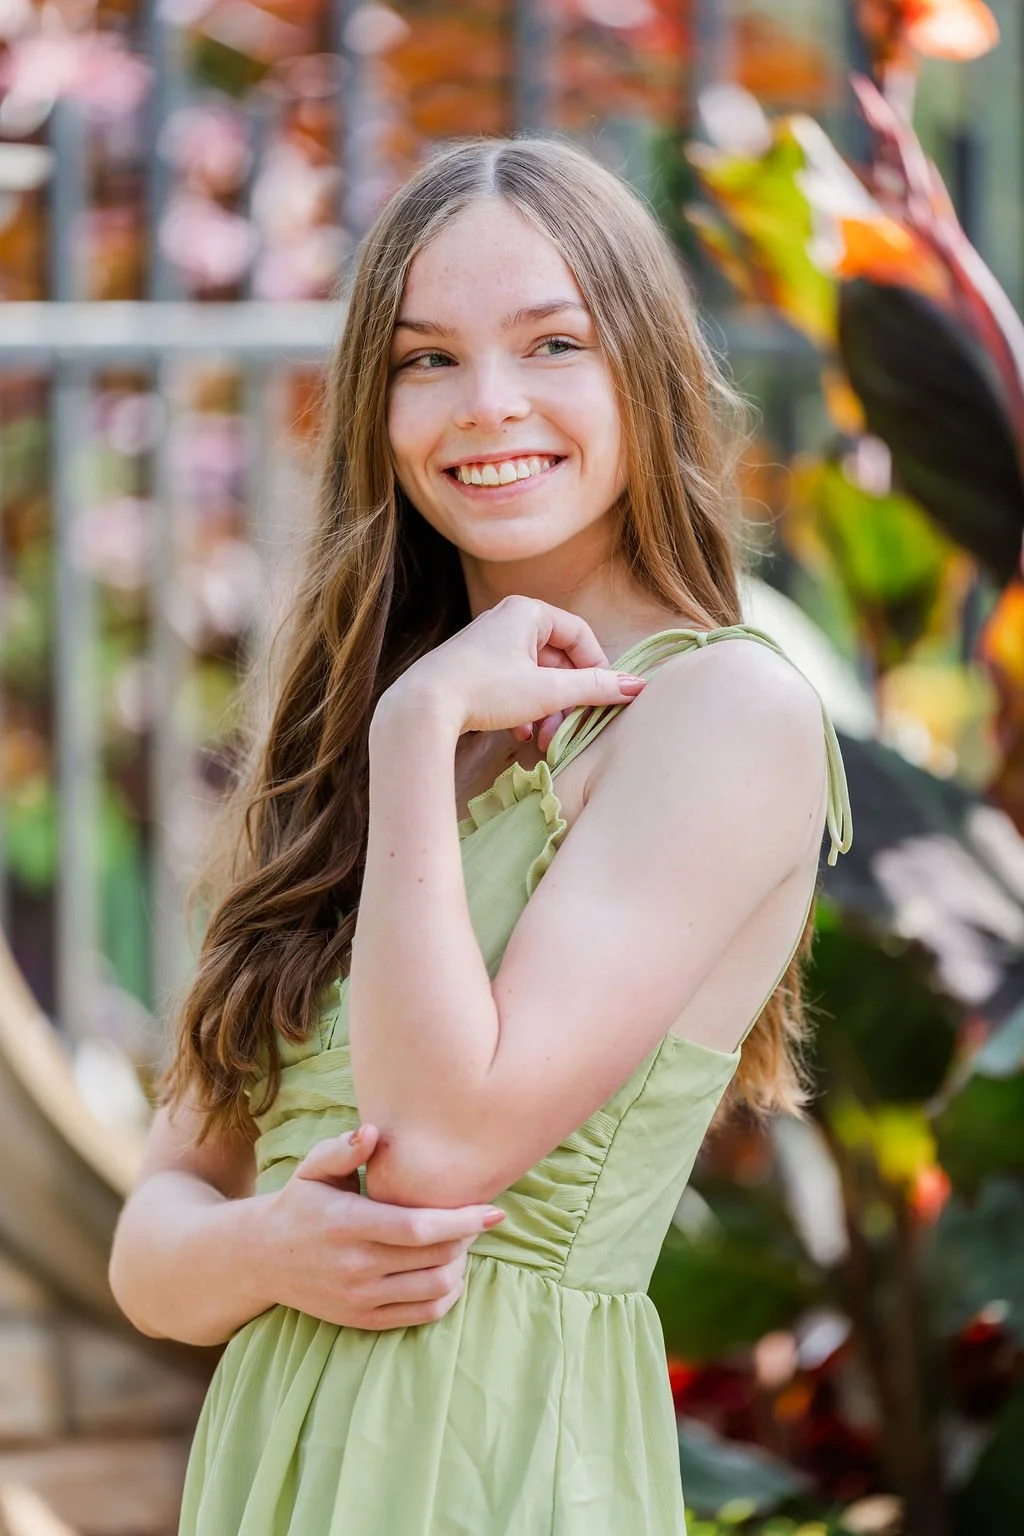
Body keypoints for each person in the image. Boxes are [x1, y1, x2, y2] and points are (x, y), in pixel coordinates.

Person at [109, 134, 853, 1534]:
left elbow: (439, 1147)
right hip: (272, 1479)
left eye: (553, 342)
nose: (487, 405)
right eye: (424, 360)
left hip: (498, 1470)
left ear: (642, 367)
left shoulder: (720, 714)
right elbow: (155, 1254)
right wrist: (273, 1245)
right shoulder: (347, 746)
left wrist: (411, 739)